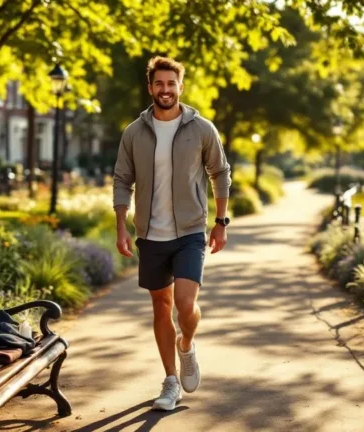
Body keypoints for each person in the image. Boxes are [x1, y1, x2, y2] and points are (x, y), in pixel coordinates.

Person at [112, 56, 232, 411]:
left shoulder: (202, 129)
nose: (165, 89)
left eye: (171, 83)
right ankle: (170, 381)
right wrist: (121, 226)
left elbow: (220, 172)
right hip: (150, 234)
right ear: (150, 88)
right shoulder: (134, 132)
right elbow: (122, 180)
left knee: (185, 304)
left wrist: (221, 222)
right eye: (159, 83)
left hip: (190, 231)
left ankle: (186, 346)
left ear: (180, 86)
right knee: (161, 306)